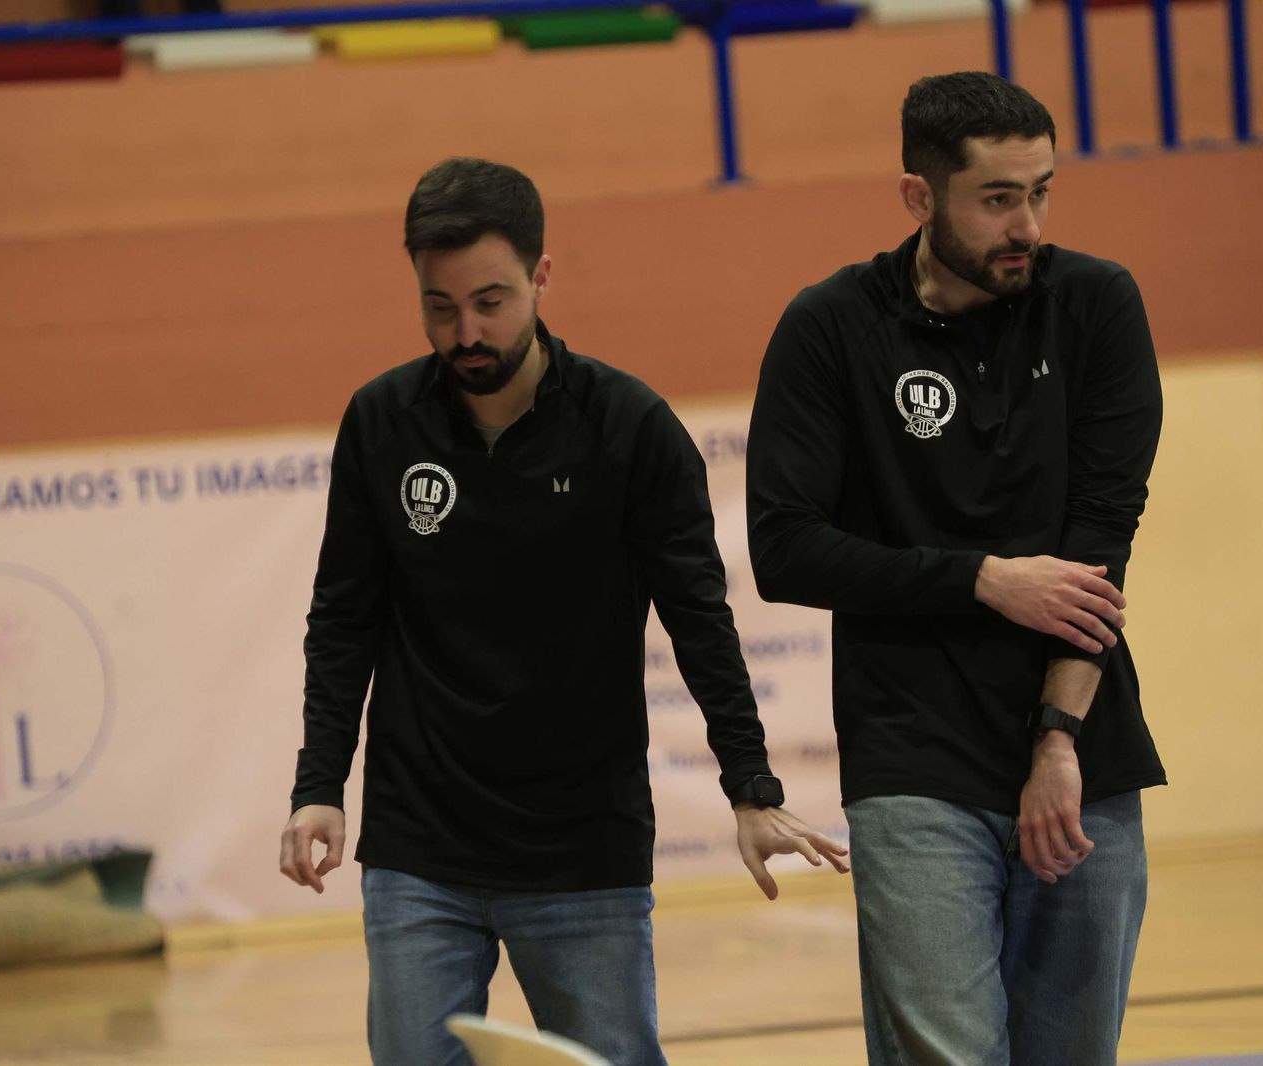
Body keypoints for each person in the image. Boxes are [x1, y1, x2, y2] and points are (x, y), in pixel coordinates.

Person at [279, 157, 849, 1066]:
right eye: (439, 306)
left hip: (584, 848)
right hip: (419, 845)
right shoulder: (381, 423)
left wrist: (751, 787)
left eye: (491, 302)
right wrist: (317, 784)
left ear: (544, 277)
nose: (466, 332)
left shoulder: (630, 428)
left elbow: (699, 618)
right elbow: (343, 618)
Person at [745, 72, 1165, 1065]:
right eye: (997, 198)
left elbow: (1104, 534)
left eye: (1041, 192)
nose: (1026, 223)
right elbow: (783, 545)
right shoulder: (831, 327)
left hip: (1079, 753)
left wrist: (1058, 738)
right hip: (912, 756)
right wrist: (981, 577)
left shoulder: (1096, 305)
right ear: (918, 197)